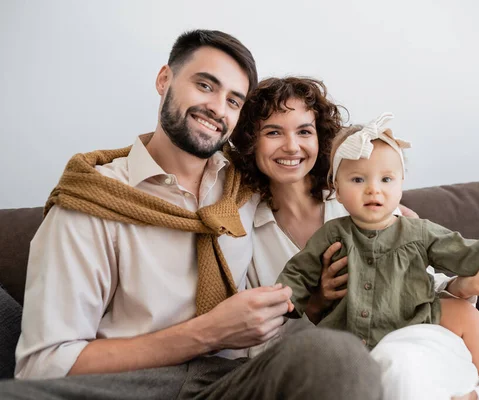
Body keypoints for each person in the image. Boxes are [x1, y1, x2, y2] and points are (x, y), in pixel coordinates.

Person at [0, 30, 382, 400]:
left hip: (231, 383)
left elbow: (322, 159)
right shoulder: (92, 201)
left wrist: (382, 210)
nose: (217, 108)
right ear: (164, 79)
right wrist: (208, 333)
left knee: (337, 357)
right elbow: (43, 366)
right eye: (205, 85)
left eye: (234, 101)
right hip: (130, 385)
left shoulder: (242, 186)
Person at [230, 76, 479, 399]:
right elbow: (259, 349)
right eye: (273, 132)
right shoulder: (244, 232)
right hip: (336, 363)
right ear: (250, 142)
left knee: (405, 367)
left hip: (413, 346)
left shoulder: (374, 208)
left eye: (304, 131)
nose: (291, 146)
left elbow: (426, 289)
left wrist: (470, 283)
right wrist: (315, 305)